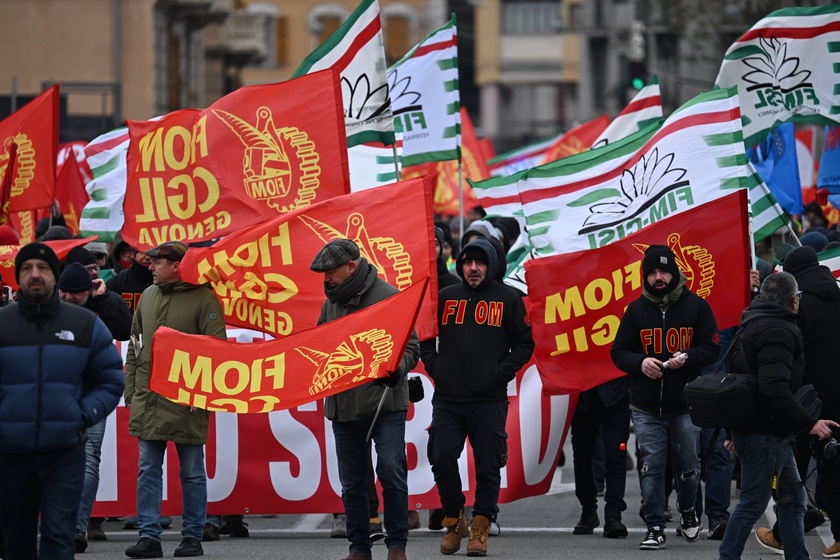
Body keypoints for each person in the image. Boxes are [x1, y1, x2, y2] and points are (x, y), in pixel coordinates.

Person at [0, 242, 124, 559]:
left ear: (55, 277)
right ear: (18, 277)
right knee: (16, 544)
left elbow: (110, 378)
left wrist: (82, 415)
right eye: (27, 269)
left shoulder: (84, 325)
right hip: (11, 456)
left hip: (65, 455)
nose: (35, 275)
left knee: (59, 540)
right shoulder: (3, 324)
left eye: (42, 268)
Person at [420, 237, 534, 557]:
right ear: (460, 264)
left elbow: (524, 344)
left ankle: (480, 528)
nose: (473, 268)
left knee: (487, 466)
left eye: (480, 263)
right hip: (448, 400)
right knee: (441, 457)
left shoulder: (509, 300)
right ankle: (455, 521)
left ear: (491, 266)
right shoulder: (445, 297)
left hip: (489, 400)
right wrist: (436, 368)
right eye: (468, 262)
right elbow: (425, 340)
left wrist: (500, 373)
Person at [310, 238, 420, 560]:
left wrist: (397, 368)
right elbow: (320, 346)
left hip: (385, 404)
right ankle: (359, 548)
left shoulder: (388, 297)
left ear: (351, 267)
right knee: (354, 482)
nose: (326, 279)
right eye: (323, 273)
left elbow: (411, 348)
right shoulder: (329, 303)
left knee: (390, 472)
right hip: (343, 407)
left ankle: (396, 545)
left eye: (331, 272)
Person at [718, 271, 838, 560]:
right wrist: (808, 423)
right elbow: (773, 388)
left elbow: (740, 382)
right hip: (766, 432)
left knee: (793, 499)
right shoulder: (778, 330)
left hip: (763, 429)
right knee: (751, 504)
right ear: (793, 302)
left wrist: (735, 430)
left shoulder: (752, 322)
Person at [610, 244, 720, 550]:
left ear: (675, 272)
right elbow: (618, 352)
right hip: (645, 406)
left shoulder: (696, 306)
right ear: (645, 276)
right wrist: (640, 363)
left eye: (664, 271)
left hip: (685, 404)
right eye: (652, 273)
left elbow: (712, 347)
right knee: (651, 466)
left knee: (688, 465)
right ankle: (655, 525)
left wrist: (687, 357)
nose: (658, 277)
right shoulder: (635, 311)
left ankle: (687, 509)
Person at [123, 241, 227, 558]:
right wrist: (131, 389)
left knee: (192, 472)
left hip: (188, 401)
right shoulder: (149, 298)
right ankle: (149, 538)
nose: (150, 267)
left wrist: (204, 392)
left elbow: (216, 352)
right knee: (147, 470)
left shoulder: (204, 298)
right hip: (148, 400)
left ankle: (192, 537)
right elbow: (134, 345)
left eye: (157, 262)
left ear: (176, 265)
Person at [752, 248, 840, 557]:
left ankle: (781, 535)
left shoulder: (801, 305)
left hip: (807, 401)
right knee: (833, 465)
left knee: (793, 471)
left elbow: (789, 355)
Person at [56, 262, 133, 552]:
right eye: (64, 292)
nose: (69, 298)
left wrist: (105, 299)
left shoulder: (102, 304)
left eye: (76, 293)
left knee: (89, 459)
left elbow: (125, 329)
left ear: (89, 290)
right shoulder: (49, 305)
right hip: (56, 394)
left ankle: (77, 527)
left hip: (89, 395)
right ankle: (58, 522)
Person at [570, 375, 630, 539]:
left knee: (616, 455)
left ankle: (613, 514)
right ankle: (588, 509)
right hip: (582, 392)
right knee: (582, 455)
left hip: (616, 390)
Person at [106, 240, 154, 315]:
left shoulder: (165, 281)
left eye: (151, 252)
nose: (147, 257)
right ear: (133, 254)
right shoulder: (116, 282)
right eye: (141, 252)